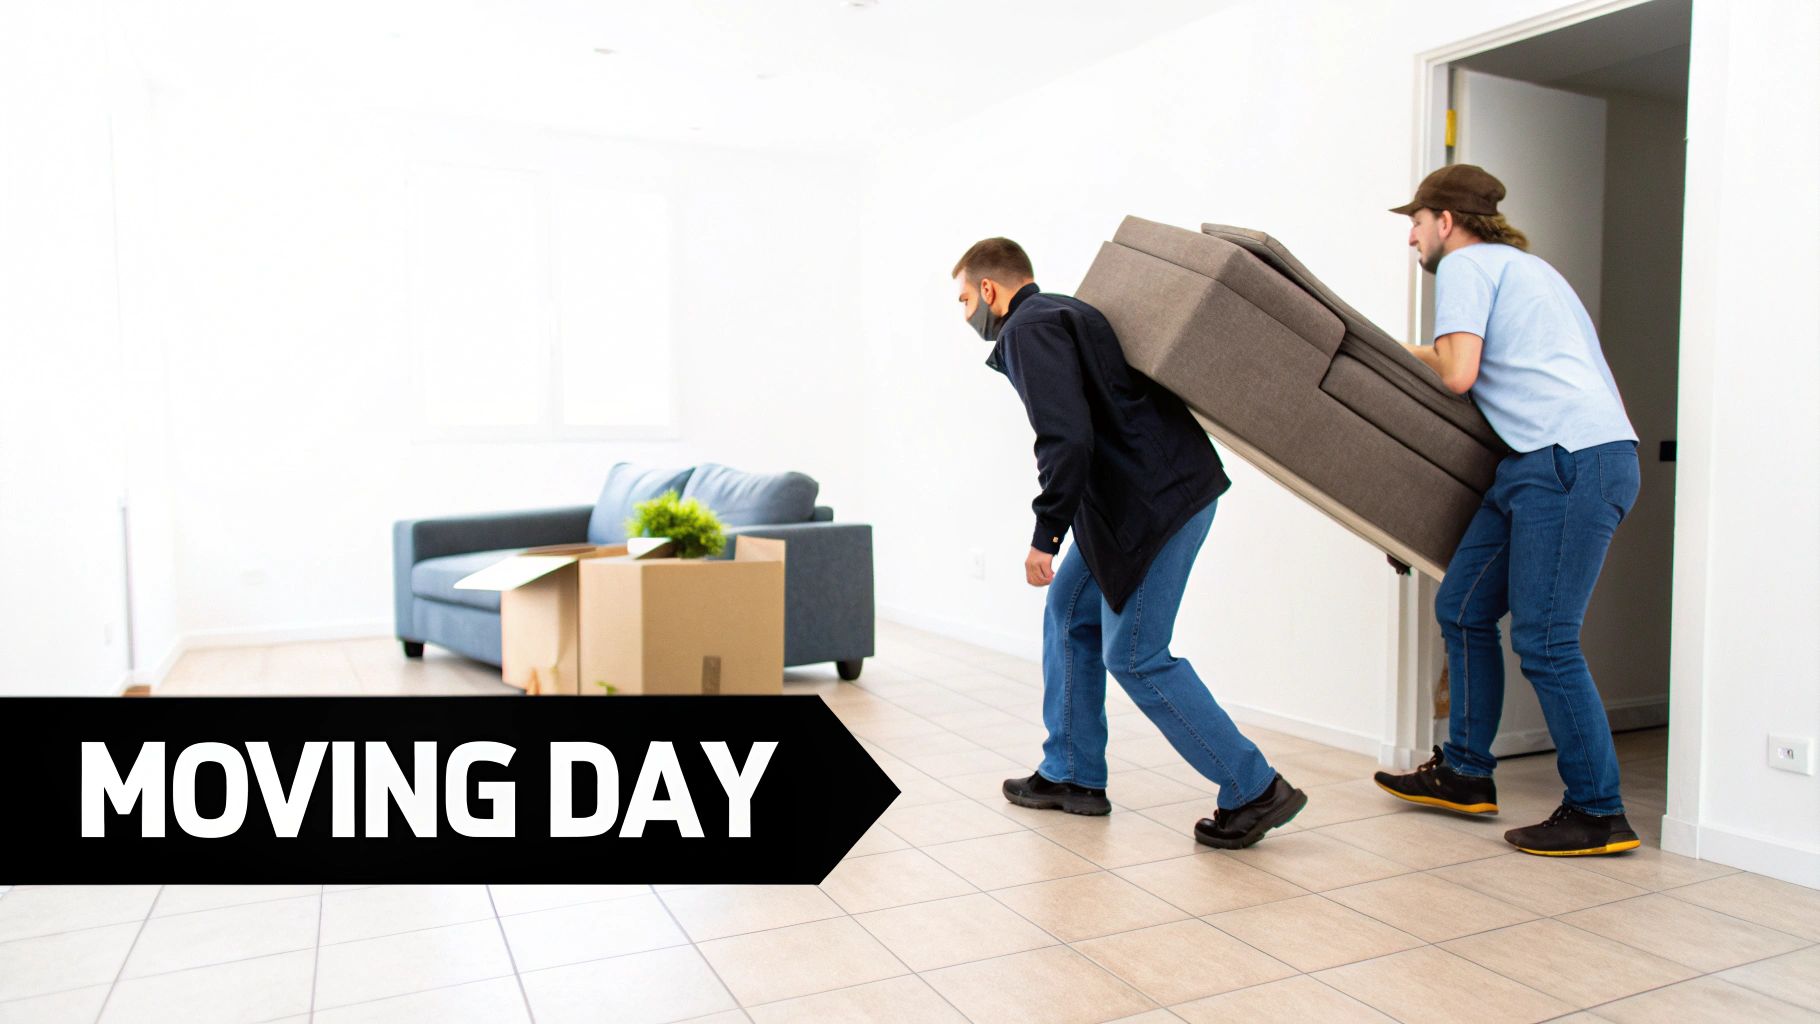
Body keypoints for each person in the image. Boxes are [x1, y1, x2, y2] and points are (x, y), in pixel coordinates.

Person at [952, 236, 1304, 849]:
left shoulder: (1027, 330)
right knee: (1068, 612)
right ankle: (1073, 774)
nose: (966, 316)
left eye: (963, 300)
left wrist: (1045, 535)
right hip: (1138, 499)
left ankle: (1254, 788)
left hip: (1155, 504)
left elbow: (1066, 440)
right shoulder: (1063, 311)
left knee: (1137, 655)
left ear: (990, 290)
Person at [1373, 165, 1643, 856]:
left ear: (1447, 221)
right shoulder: (1527, 269)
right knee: (1461, 606)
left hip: (1570, 460)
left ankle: (1598, 812)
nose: (1412, 238)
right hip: (1535, 461)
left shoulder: (1467, 265)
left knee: (1547, 641)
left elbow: (1458, 373)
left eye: (1417, 221)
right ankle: (1464, 773)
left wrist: (1390, 352)